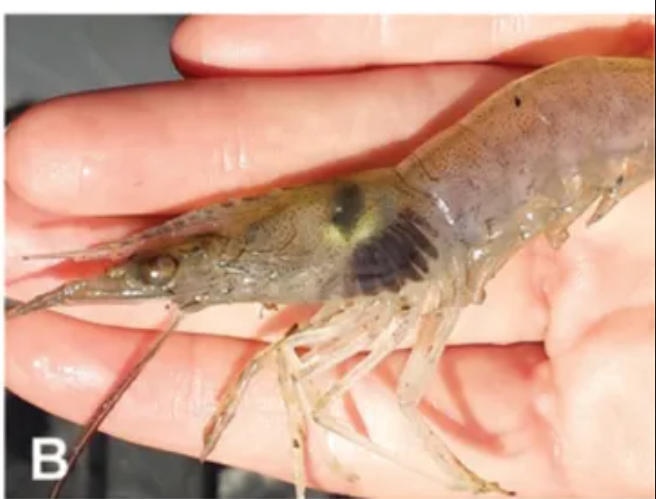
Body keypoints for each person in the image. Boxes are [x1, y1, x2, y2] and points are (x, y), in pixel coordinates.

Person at [5, 15, 655, 497]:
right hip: (472, 190)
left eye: (161, 267)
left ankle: (461, 479)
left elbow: (397, 387)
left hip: (565, 138)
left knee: (343, 384)